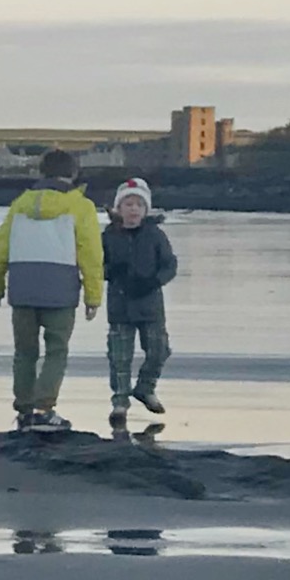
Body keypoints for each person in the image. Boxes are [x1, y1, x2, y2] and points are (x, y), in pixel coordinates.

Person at [0, 148, 103, 431]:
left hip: (23, 286)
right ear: (73, 174)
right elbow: (90, 253)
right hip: (60, 287)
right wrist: (93, 295)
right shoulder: (80, 206)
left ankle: (24, 410)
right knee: (56, 350)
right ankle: (44, 408)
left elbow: (1, 247)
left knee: (24, 351)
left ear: (41, 172)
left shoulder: (20, 204)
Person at [100, 176, 178, 425]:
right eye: (128, 204)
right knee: (119, 356)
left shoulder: (155, 235)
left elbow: (170, 264)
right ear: (118, 208)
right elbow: (97, 266)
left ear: (146, 210)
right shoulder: (108, 236)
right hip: (120, 305)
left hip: (150, 304)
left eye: (138, 205)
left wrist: (155, 281)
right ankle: (120, 402)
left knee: (159, 350)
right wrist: (111, 271)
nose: (133, 209)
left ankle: (145, 387)